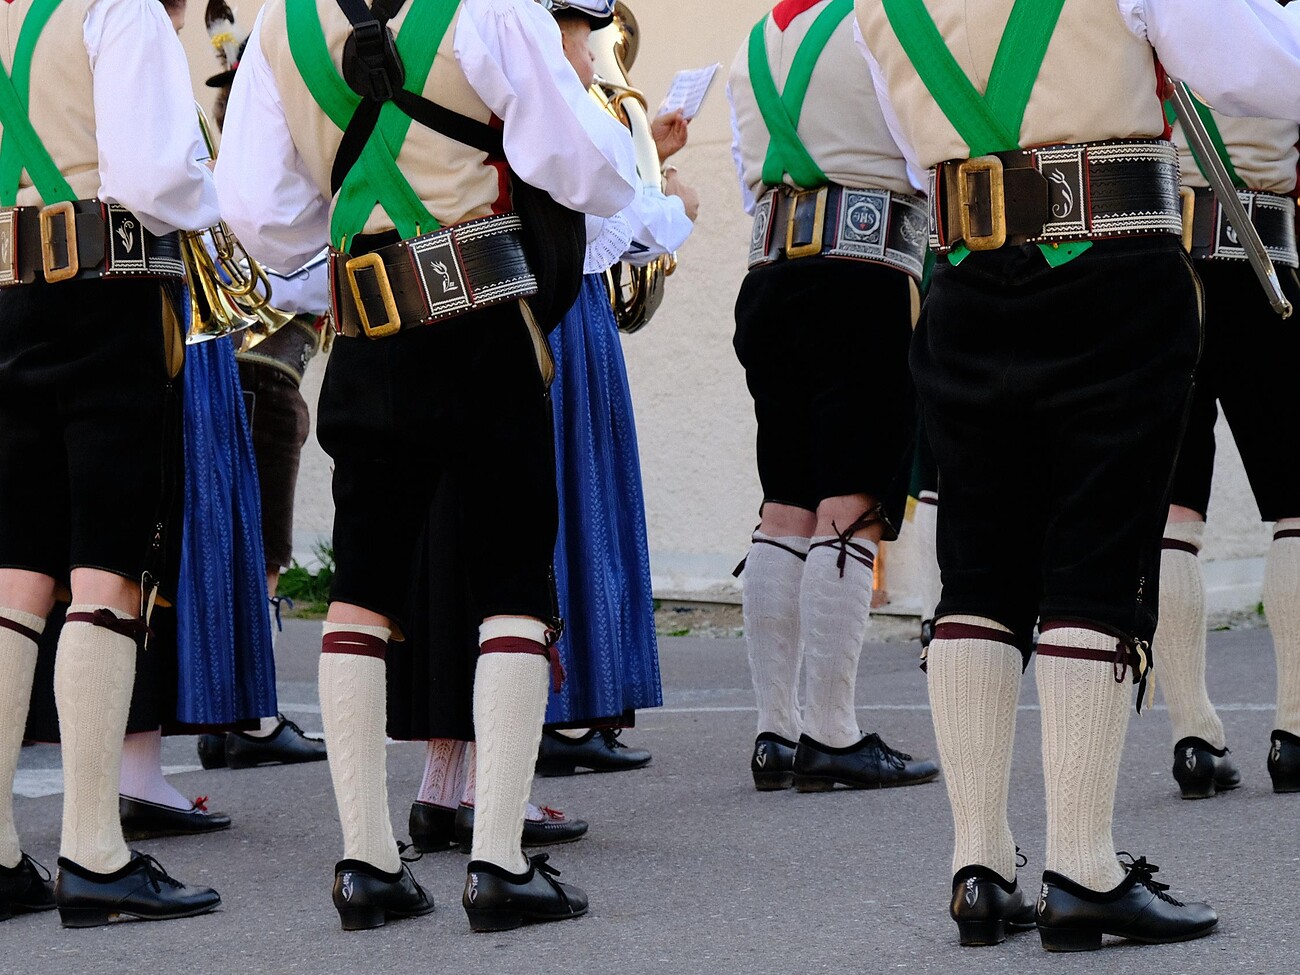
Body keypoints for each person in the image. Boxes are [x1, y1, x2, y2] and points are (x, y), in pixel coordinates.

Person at [855, 0, 1300, 952]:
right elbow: (1261, 70)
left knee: (978, 568)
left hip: (966, 279)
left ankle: (978, 869)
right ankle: (1083, 869)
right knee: (1095, 560)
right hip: (1110, 265)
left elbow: (906, 142)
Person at [216, 0, 637, 933]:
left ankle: (366, 862)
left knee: (362, 587)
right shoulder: (489, 4)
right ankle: (499, 862)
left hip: (367, 331)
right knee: (513, 583)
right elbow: (583, 166)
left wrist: (347, 222)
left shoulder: (282, 22)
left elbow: (256, 210)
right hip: (480, 316)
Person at [401, 0, 696, 855]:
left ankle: (441, 781)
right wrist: (669, 197)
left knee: (453, 543)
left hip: (438, 309)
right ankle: (493, 794)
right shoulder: (540, 86)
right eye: (581, 37)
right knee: (519, 555)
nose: (592, 56)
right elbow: (612, 212)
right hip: (536, 323)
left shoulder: (445, 70)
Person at [0, 0, 223, 925]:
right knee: (107, 568)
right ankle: (94, 851)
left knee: (17, 572)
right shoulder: (119, 8)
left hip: (10, 297)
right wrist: (217, 199)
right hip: (109, 294)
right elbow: (155, 178)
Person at [727, 0, 939, 796]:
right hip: (862, 272)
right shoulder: (875, 21)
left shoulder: (752, 43)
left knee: (784, 501)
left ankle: (775, 731)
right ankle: (832, 730)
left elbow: (746, 178)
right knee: (852, 499)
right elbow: (924, 150)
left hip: (770, 277)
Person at [194, 0, 330, 771]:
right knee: (263, 548)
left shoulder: (234, 164)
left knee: (247, 544)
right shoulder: (252, 183)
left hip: (258, 372)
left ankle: (237, 707)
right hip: (263, 374)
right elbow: (285, 272)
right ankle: (250, 714)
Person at [1154, 95, 1300, 798]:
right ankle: (1295, 734)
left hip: (1159, 272)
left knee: (1173, 511)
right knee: (1297, 505)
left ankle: (1193, 739)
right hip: (1261, 260)